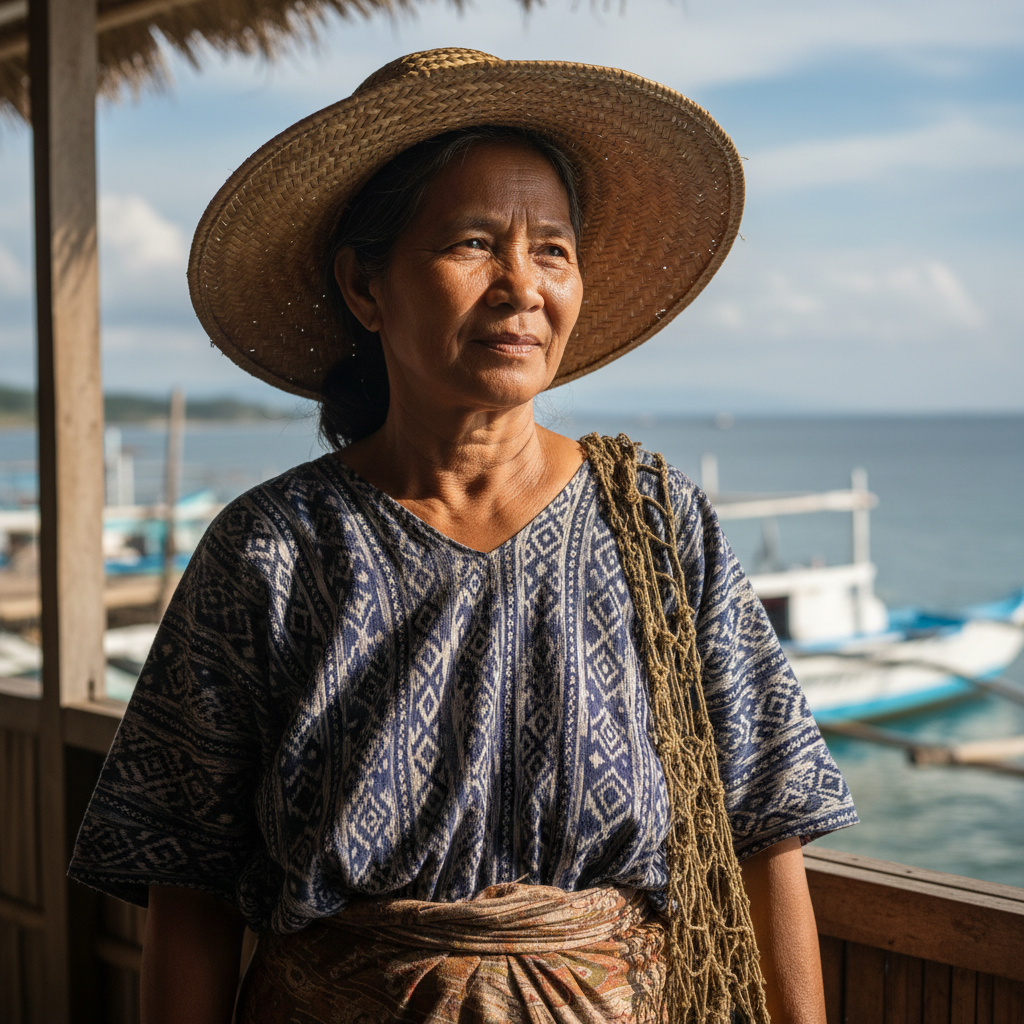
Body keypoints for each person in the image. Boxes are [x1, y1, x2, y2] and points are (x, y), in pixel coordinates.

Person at [69, 48, 858, 1024]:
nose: (521, 285)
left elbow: (766, 834)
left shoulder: (655, 525)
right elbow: (185, 884)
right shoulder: (272, 551)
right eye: (474, 243)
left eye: (553, 249)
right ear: (366, 286)